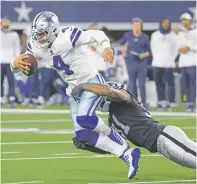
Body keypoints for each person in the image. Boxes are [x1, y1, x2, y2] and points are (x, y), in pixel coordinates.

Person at [10, 11, 140, 179]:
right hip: (74, 89)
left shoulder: (68, 36)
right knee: (82, 135)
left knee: (84, 119)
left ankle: (118, 138)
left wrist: (106, 46)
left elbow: (96, 34)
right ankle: (126, 152)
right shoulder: (35, 44)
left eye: (42, 33)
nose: (39, 37)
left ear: (53, 30)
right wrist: (14, 64)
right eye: (36, 33)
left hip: (92, 82)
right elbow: (22, 63)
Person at [72, 81, 196, 169]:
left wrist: (84, 86)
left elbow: (111, 92)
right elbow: (119, 146)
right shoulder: (113, 119)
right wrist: (90, 146)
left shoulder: (126, 100)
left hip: (164, 136)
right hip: (160, 147)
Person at [120, 18, 150, 109]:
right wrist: (124, 52)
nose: (136, 27)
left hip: (141, 63)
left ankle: (144, 104)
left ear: (141, 26)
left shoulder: (145, 37)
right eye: (134, 25)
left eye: (138, 25)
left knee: (142, 84)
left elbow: (148, 51)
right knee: (132, 84)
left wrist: (143, 55)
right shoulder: (127, 35)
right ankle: (134, 104)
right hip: (131, 62)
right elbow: (121, 45)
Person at [151, 18, 178, 111]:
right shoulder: (155, 35)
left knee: (170, 84)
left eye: (167, 23)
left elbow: (176, 50)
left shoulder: (173, 36)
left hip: (169, 64)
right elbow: (152, 48)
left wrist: (170, 59)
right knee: (159, 83)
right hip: (157, 63)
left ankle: (169, 102)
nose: (165, 25)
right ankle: (160, 101)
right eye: (164, 23)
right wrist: (157, 58)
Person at [177, 13, 196, 112]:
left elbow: (192, 46)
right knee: (186, 84)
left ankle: (192, 103)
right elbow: (179, 48)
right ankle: (189, 102)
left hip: (193, 62)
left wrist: (188, 48)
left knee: (193, 83)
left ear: (190, 21)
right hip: (183, 62)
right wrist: (186, 48)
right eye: (182, 20)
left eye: (186, 20)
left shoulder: (195, 32)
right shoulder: (180, 33)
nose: (184, 22)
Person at [1, 17, 21, 107]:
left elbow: (17, 48)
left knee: (11, 81)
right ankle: (1, 99)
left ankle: (12, 99)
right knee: (0, 82)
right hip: (1, 61)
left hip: (10, 61)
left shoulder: (14, 35)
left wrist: (16, 60)